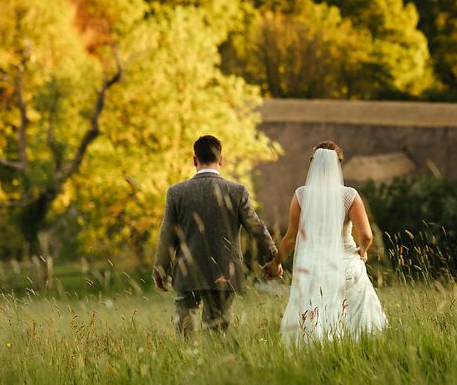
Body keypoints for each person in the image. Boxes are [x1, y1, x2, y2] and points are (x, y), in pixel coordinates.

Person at [152, 134, 282, 335]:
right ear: (221, 160)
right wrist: (274, 260)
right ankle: (214, 364)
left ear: (195, 160)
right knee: (217, 333)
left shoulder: (176, 193)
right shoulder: (237, 191)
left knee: (185, 331)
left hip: (187, 271)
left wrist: (160, 270)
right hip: (224, 270)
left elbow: (167, 235)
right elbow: (256, 228)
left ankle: (188, 362)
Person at [266, 141, 388, 341]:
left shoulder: (301, 195)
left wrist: (275, 263)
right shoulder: (349, 195)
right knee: (358, 320)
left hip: (314, 267)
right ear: (338, 164)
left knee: (315, 319)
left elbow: (290, 238)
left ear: (312, 165)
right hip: (347, 265)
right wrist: (363, 251)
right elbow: (366, 235)